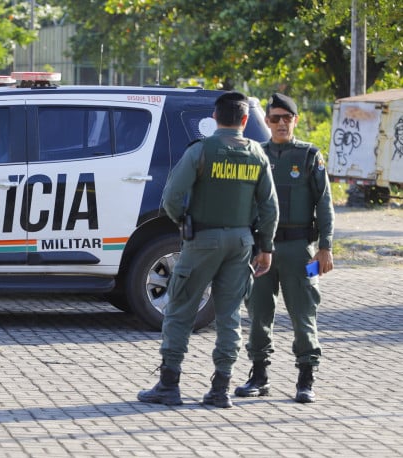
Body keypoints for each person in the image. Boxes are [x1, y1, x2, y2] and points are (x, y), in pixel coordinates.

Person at [137, 91, 279, 408]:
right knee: (229, 315)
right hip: (241, 243)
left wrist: (183, 222)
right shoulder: (257, 154)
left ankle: (169, 385)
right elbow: (270, 208)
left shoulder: (201, 151)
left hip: (202, 240)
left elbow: (171, 196)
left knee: (180, 308)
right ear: (245, 120)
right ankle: (220, 390)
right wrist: (265, 247)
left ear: (214, 119)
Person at [235, 93, 334, 404]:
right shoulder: (256, 154)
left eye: (286, 118)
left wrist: (326, 247)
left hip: (302, 250)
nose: (280, 123)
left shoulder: (309, 156)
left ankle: (306, 377)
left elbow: (325, 203)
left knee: (304, 313)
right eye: (275, 118)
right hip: (261, 249)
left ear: (295, 120)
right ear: (266, 122)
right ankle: (259, 375)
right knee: (258, 312)